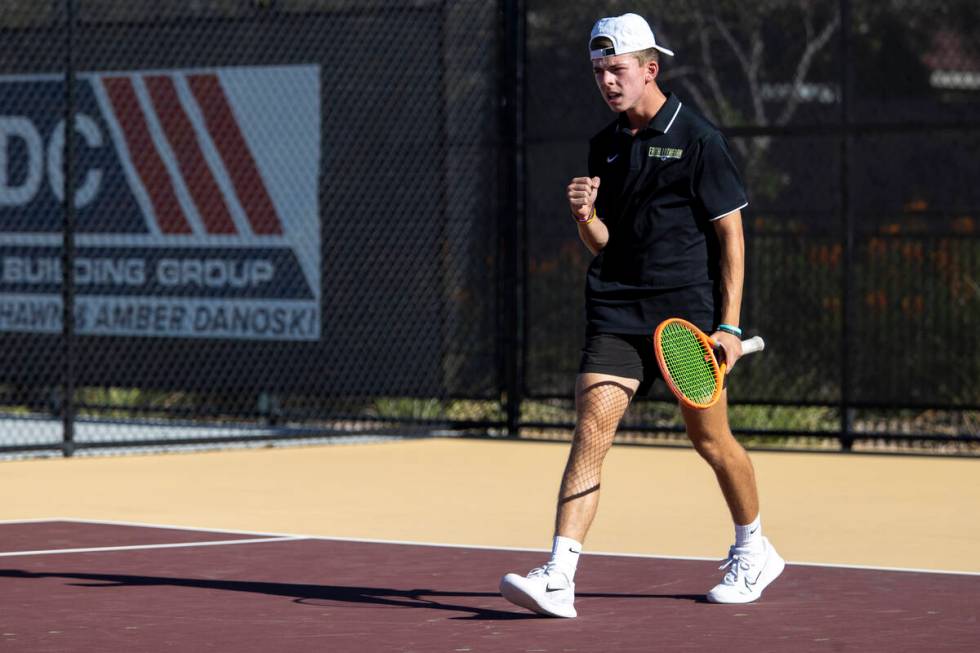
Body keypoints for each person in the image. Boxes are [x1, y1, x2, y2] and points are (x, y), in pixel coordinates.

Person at [499, 13, 784, 618]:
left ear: (651, 69)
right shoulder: (604, 144)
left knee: (711, 440)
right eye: (599, 70)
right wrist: (585, 218)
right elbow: (609, 244)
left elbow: (731, 236)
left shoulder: (700, 139)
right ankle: (559, 574)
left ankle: (754, 549)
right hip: (615, 311)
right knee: (591, 432)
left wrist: (729, 328)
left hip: (684, 320)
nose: (606, 80)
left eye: (617, 69)